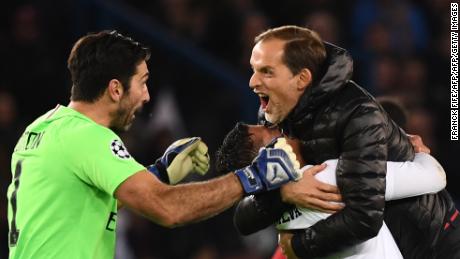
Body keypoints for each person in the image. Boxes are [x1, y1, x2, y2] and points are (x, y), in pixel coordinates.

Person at [6, 30, 328, 259]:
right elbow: (168, 208)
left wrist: (158, 173)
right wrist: (252, 177)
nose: (146, 96)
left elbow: (78, 205)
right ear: (115, 89)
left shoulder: (42, 128)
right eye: (143, 83)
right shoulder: (89, 136)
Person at [243, 25, 459, 258]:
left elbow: (368, 217)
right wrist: (284, 193)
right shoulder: (279, 125)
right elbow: (244, 216)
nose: (253, 82)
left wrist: (296, 246)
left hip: (436, 244)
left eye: (266, 71)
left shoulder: (338, 164)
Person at [216, 123, 446, 258]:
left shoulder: (279, 222)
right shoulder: (329, 174)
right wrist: (419, 151)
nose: (283, 128)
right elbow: (434, 177)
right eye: (273, 130)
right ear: (270, 156)